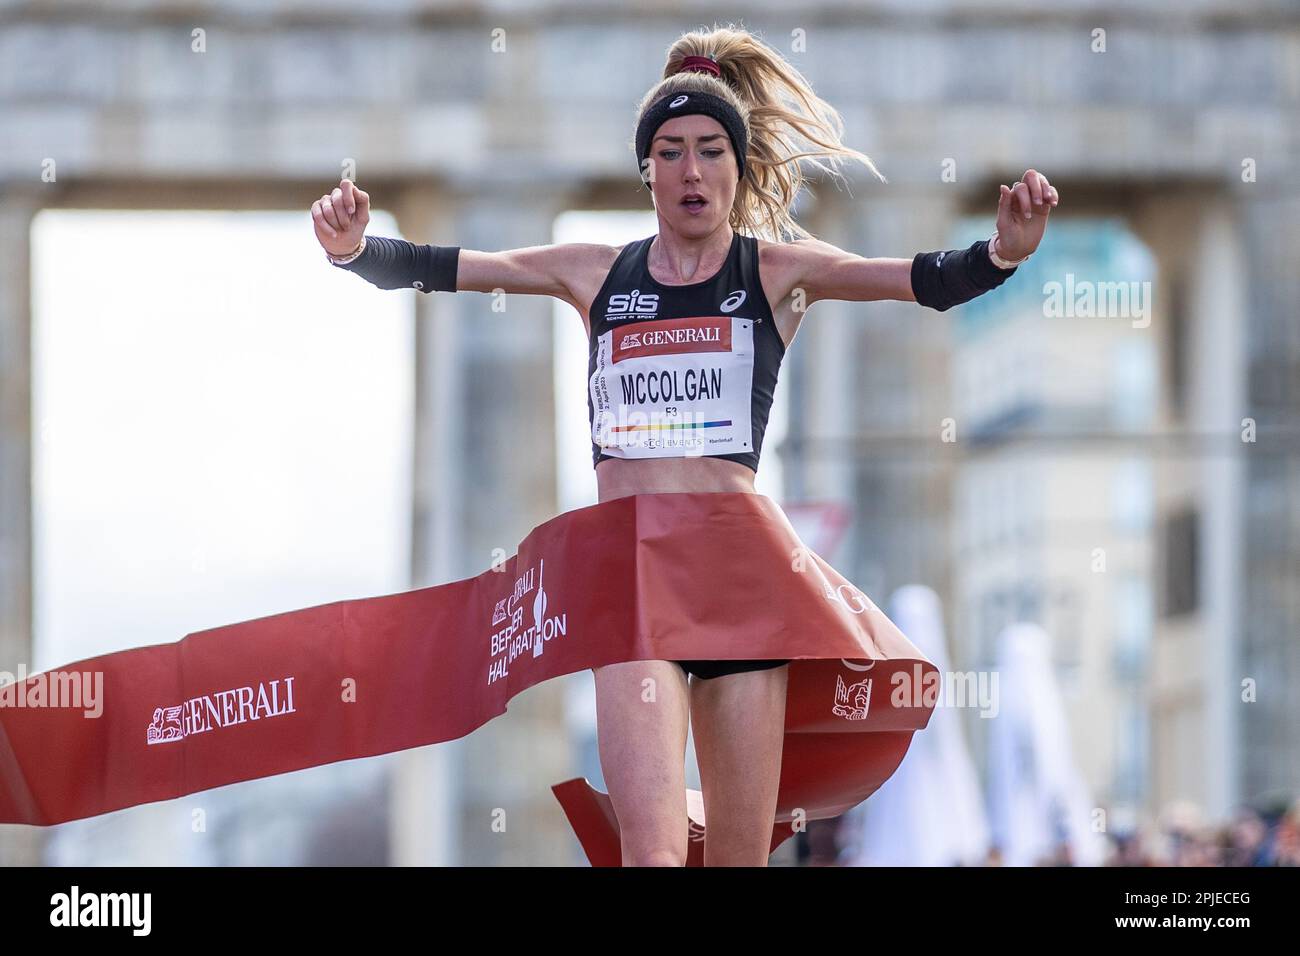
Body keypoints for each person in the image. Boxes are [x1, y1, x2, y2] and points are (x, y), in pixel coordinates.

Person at [310, 25, 1059, 867]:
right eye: (668, 152)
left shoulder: (777, 270)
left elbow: (920, 281)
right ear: (647, 171)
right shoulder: (596, 272)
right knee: (654, 858)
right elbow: (453, 265)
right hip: (630, 582)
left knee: (739, 860)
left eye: (709, 149)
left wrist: (1001, 254)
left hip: (740, 582)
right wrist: (353, 250)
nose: (690, 170)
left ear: (738, 166)